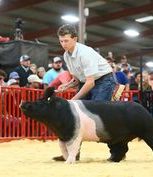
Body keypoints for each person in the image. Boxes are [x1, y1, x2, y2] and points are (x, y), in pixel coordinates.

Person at [54, 24, 117, 162]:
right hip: (88, 81)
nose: (63, 44)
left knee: (102, 115)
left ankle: (117, 152)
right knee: (75, 116)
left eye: (66, 40)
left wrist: (73, 101)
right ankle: (73, 153)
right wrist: (66, 86)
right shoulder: (66, 55)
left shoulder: (85, 53)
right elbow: (77, 79)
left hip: (104, 81)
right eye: (61, 41)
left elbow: (90, 82)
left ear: (75, 39)